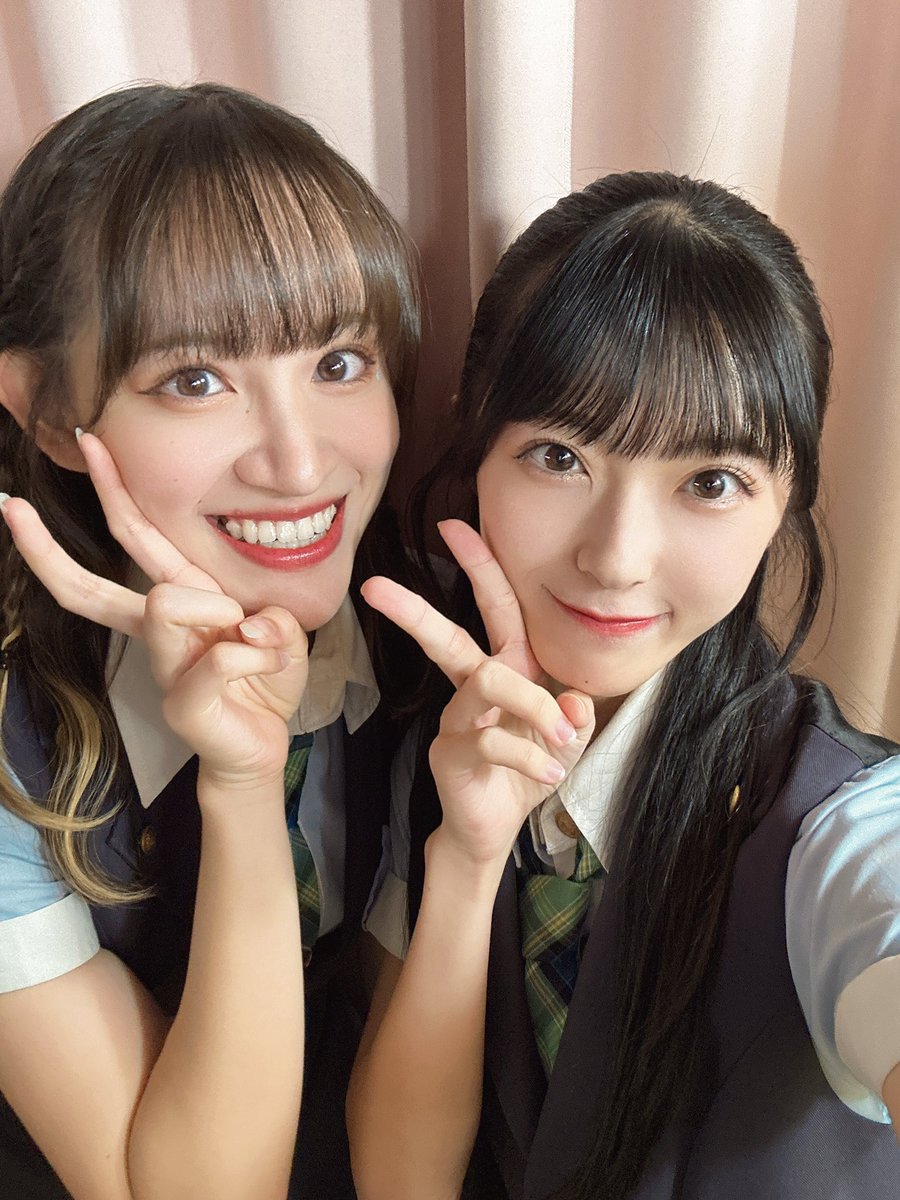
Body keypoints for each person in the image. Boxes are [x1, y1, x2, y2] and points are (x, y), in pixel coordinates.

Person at [347, 171, 900, 1199]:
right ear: (476, 449)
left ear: (788, 499)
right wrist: (467, 859)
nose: (616, 558)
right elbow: (400, 1181)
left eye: (710, 482)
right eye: (559, 457)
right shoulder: (435, 741)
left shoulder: (841, 818)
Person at [0, 82, 420, 1200]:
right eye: (196, 380)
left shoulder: (428, 629)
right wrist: (240, 785)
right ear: (46, 411)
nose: (300, 462)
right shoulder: (11, 744)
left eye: (339, 361)